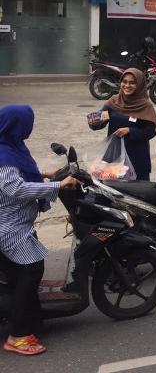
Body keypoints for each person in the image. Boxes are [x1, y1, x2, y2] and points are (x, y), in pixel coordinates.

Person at [0, 105, 79, 356]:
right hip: (8, 226)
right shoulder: (4, 154)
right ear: (17, 125)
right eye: (28, 123)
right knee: (32, 270)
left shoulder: (11, 146)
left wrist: (43, 174)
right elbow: (15, 189)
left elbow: (22, 175)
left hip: (17, 222)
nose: (30, 128)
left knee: (20, 274)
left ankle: (31, 318)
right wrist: (57, 184)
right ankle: (18, 335)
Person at [88, 68, 156, 181]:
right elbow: (97, 123)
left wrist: (130, 131)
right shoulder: (114, 102)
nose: (127, 85)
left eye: (132, 82)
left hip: (137, 158)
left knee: (136, 195)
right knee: (113, 193)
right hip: (115, 157)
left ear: (139, 84)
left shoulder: (145, 106)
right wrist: (94, 120)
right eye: (124, 81)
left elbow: (150, 131)